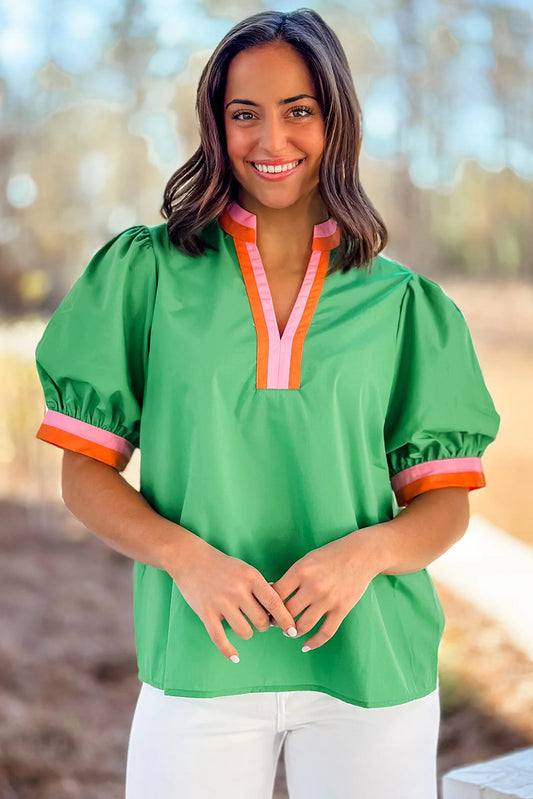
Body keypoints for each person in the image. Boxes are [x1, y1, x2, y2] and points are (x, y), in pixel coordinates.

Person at [35, 8, 500, 799]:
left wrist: (365, 555)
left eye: (299, 112)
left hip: (371, 668)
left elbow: (443, 504)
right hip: (198, 660)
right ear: (216, 125)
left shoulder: (403, 306)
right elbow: (84, 472)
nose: (269, 141)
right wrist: (187, 557)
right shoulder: (144, 275)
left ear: (336, 120)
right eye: (243, 114)